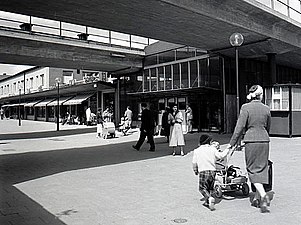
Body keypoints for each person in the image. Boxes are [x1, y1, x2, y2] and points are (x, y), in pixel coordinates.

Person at [227, 84, 271, 213]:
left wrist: (232, 143)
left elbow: (239, 127)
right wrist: (264, 134)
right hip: (264, 140)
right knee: (261, 168)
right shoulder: (266, 108)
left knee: (252, 169)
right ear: (261, 95)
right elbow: (268, 126)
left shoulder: (245, 107)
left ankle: (263, 195)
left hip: (251, 140)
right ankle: (257, 198)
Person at [192, 134, 233, 211]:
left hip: (203, 171)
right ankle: (208, 202)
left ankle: (209, 198)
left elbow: (194, 162)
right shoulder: (212, 149)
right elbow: (221, 156)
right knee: (210, 188)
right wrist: (228, 148)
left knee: (202, 188)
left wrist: (195, 170)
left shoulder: (197, 151)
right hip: (212, 171)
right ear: (209, 142)